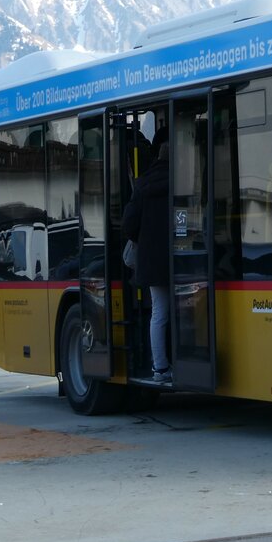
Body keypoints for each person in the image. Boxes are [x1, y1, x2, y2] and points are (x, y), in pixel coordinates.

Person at [122, 141, 171, 383]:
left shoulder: (142, 185)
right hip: (181, 260)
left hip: (152, 260)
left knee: (159, 313)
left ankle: (160, 368)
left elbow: (128, 225)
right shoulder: (181, 181)